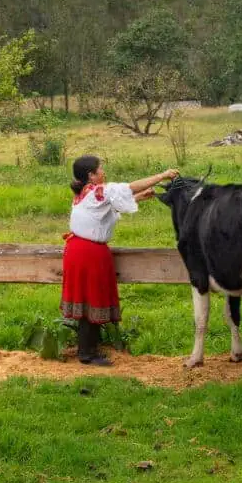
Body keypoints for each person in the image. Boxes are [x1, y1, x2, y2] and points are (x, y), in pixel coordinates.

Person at [61, 155, 179, 366]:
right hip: (89, 253)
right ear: (91, 175)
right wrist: (162, 175)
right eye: (100, 169)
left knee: (87, 300)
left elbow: (105, 210)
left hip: (78, 250)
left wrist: (140, 197)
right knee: (92, 299)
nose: (103, 172)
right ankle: (87, 354)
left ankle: (87, 350)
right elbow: (128, 188)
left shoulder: (86, 193)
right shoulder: (98, 191)